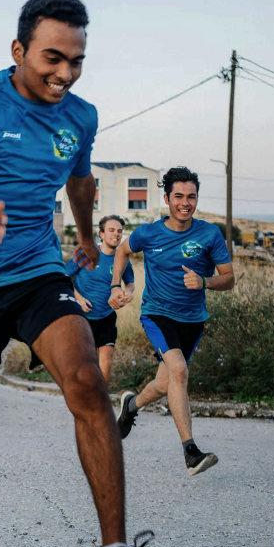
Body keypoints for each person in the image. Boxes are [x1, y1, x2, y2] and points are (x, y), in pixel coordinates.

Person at [0, 0, 161, 547]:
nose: (66, 73)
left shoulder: (81, 116)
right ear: (19, 50)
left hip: (35, 269)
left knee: (86, 381)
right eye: (54, 57)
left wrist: (84, 236)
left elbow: (80, 182)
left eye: (77, 60)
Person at [111, 167, 235, 477]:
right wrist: (117, 286)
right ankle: (191, 453)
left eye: (191, 197)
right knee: (180, 371)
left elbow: (229, 278)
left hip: (192, 320)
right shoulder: (149, 233)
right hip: (157, 314)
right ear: (167, 199)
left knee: (166, 384)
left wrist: (205, 282)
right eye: (178, 196)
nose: (185, 203)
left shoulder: (209, 234)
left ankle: (131, 406)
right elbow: (122, 251)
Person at [66, 214, 136, 383]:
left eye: (119, 231)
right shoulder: (87, 253)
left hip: (106, 316)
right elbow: (63, 277)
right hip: (83, 317)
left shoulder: (122, 259)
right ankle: (82, 399)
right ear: (101, 234)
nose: (116, 234)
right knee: (84, 364)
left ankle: (101, 404)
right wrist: (78, 298)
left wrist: (128, 293)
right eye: (111, 230)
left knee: (106, 362)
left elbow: (130, 283)